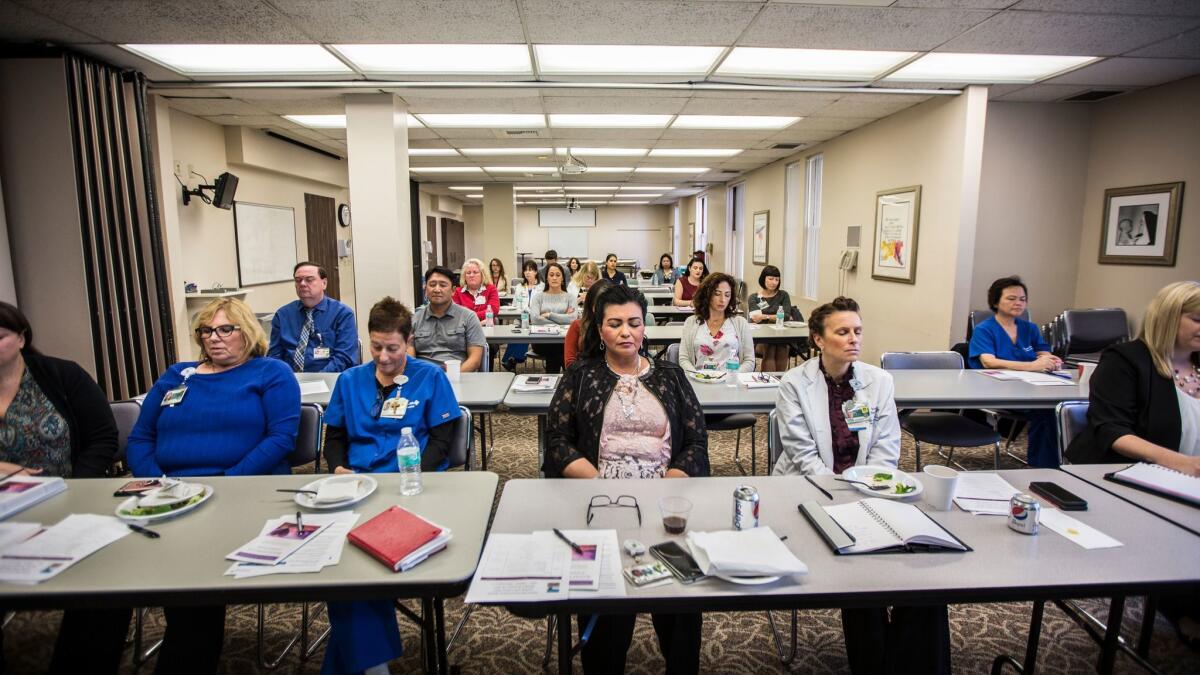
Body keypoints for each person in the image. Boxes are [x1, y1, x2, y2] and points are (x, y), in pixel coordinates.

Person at [772, 297, 948, 675]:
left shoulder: (879, 381)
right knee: (862, 568)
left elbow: (887, 446)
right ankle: (876, 662)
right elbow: (803, 454)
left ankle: (912, 662)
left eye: (857, 331)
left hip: (871, 493)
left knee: (927, 571)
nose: (853, 339)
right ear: (818, 339)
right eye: (842, 332)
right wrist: (842, 500)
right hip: (809, 491)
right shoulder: (794, 383)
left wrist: (868, 491)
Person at [126, 297, 300, 673]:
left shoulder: (270, 372)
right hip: (166, 493)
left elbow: (281, 438)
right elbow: (141, 438)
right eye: (206, 330)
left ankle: (184, 655)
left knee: (189, 576)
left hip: (240, 492)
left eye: (225, 329)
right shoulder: (177, 375)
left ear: (247, 333)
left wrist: (226, 483)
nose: (214, 338)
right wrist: (156, 481)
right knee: (109, 569)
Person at [544, 283, 708, 674]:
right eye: (615, 324)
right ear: (599, 329)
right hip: (599, 501)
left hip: (665, 502)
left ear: (644, 327)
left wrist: (669, 483)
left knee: (682, 601)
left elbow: (697, 441)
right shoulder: (580, 376)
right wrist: (603, 483)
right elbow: (556, 441)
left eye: (633, 323)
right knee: (606, 604)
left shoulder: (670, 375)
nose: (625, 332)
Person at [320, 297, 462, 674]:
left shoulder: (429, 377)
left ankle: (369, 667)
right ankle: (372, 664)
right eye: (376, 346)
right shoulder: (350, 380)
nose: (383, 357)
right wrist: (337, 468)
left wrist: (411, 477)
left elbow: (443, 441)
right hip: (357, 488)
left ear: (409, 340)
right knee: (341, 563)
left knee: (354, 570)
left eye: (393, 348)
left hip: (410, 488)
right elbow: (333, 437)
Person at [0, 302, 130, 675]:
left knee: (107, 585)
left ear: (22, 338)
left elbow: (103, 437)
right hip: (7, 505)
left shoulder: (61, 376)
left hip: (74, 498)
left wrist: (73, 489)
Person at [1068, 280, 1200, 472]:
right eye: (1197, 319)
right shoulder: (1125, 360)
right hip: (1130, 472)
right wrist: (1183, 463)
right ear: (1168, 319)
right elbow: (1112, 430)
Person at [968, 276, 1062, 467]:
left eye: (1022, 299)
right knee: (1046, 411)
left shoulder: (1030, 328)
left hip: (1030, 387)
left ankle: (1062, 462)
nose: (1018, 303)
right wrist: (1033, 366)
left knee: (1063, 408)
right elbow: (989, 362)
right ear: (996, 301)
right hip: (996, 390)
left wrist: (1051, 360)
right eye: (1011, 298)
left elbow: (1043, 352)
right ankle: (1042, 467)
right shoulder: (984, 329)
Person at [269, 261, 359, 373]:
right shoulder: (283, 315)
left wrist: (318, 380)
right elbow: (274, 357)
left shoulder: (342, 314)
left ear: (324, 283)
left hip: (330, 380)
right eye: (298, 280)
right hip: (290, 380)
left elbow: (344, 358)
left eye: (309, 279)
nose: (302, 284)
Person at [410, 267, 486, 372]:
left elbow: (475, 360)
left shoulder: (468, 317)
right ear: (425, 289)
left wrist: (449, 378)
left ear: (453, 291)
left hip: (458, 376)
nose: (437, 289)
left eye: (443, 285)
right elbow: (409, 359)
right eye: (432, 285)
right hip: (424, 378)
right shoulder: (414, 319)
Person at [679, 273, 755, 374]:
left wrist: (733, 376)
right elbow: (684, 359)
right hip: (699, 380)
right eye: (717, 294)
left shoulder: (740, 323)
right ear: (707, 294)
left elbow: (749, 361)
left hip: (730, 382)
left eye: (727, 295)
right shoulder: (691, 322)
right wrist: (697, 376)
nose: (722, 300)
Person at [748, 265, 799, 372]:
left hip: (782, 334)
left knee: (781, 345)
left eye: (777, 279)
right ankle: (769, 382)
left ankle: (778, 382)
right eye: (770, 279)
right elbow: (756, 318)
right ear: (763, 279)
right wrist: (776, 317)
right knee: (770, 345)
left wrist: (765, 316)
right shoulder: (754, 298)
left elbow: (785, 316)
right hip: (761, 337)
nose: (774, 282)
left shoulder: (783, 295)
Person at [529, 262, 576, 373]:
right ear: (546, 278)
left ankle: (554, 379)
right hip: (542, 340)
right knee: (558, 348)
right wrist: (563, 318)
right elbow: (535, 319)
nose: (554, 278)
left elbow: (573, 319)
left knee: (561, 347)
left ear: (563, 279)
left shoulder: (570, 297)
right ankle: (568, 379)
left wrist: (549, 315)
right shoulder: (538, 297)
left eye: (558, 275)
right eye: (551, 275)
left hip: (566, 338)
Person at [503, 260, 543, 372]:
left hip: (537, 320)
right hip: (521, 318)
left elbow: (543, 306)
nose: (527, 272)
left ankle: (511, 360)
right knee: (519, 331)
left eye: (530, 270)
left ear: (535, 271)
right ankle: (512, 360)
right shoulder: (520, 287)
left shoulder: (542, 286)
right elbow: (515, 304)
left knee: (525, 331)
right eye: (525, 270)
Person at [563, 279, 611, 370]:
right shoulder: (577, 326)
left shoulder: (618, 328)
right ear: (591, 305)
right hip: (582, 376)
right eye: (599, 304)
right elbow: (570, 363)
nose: (604, 309)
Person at [452, 257, 500, 323]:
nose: (471, 275)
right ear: (464, 276)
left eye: (475, 272)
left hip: (487, 327)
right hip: (464, 330)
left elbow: (493, 310)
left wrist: (468, 318)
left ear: (482, 275)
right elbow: (456, 313)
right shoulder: (457, 292)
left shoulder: (491, 289)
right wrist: (476, 321)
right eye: (468, 273)